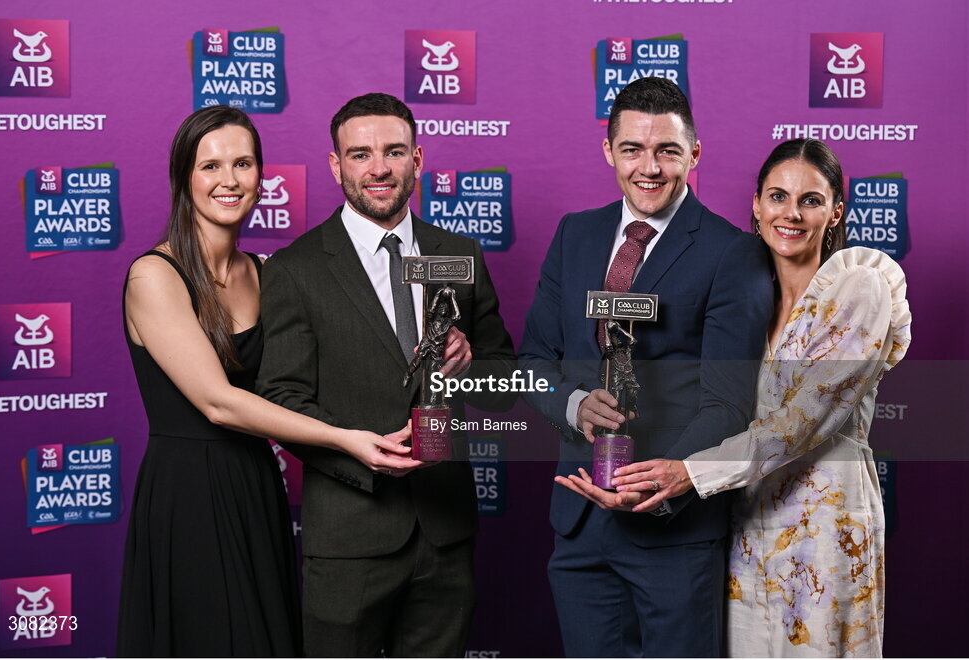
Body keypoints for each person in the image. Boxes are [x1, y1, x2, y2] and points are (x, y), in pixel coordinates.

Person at [117, 106, 419, 657]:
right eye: (210, 166)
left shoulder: (265, 272)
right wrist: (345, 438)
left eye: (243, 163)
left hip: (256, 483)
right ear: (184, 177)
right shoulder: (154, 275)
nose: (229, 180)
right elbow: (219, 402)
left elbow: (320, 372)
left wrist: (441, 356)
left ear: (261, 176)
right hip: (188, 492)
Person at [607, 139, 911, 657]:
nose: (791, 214)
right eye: (777, 196)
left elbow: (803, 420)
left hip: (826, 522)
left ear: (836, 211)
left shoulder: (859, 287)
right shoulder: (748, 302)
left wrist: (689, 471)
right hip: (747, 522)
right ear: (756, 204)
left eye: (810, 200)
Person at [518, 76, 774, 657]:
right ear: (609, 151)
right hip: (581, 523)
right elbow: (533, 359)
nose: (649, 167)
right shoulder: (574, 234)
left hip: (672, 529)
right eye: (632, 149)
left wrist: (659, 483)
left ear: (695, 153)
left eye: (668, 151)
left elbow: (729, 401)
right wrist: (573, 405)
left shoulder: (732, 251)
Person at [257, 92, 516, 657]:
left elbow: (505, 388)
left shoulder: (460, 254)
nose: (379, 168)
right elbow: (281, 398)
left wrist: (470, 367)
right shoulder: (296, 269)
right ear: (336, 165)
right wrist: (357, 451)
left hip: (445, 532)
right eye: (360, 154)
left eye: (394, 152)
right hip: (349, 534)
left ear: (417, 159)